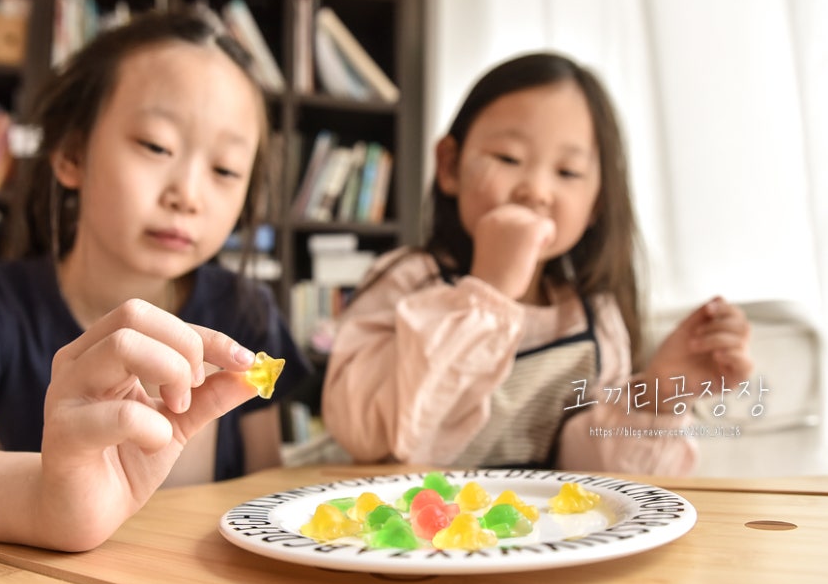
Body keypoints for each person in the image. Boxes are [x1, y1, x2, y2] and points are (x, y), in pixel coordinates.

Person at [0, 8, 309, 552]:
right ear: (72, 154)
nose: (187, 194)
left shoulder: (248, 311)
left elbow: (265, 495)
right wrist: (49, 499)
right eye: (155, 146)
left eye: (225, 170)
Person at [322, 52, 751, 476]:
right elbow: (364, 433)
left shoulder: (593, 318)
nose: (536, 190)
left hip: (522, 536)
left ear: (597, 203)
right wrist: (488, 291)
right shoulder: (408, 281)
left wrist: (660, 393)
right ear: (450, 166)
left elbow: (594, 474)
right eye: (508, 159)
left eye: (567, 172)